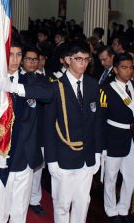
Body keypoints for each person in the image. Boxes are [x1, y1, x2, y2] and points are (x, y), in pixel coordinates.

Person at [0, 39, 52, 223]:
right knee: (0, 214)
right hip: (0, 158)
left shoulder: (29, 80)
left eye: (18, 55)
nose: (14, 60)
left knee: (19, 213)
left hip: (24, 159)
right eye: (10, 55)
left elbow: (49, 95)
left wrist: (15, 87)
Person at [45, 40, 103, 223]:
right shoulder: (55, 86)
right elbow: (48, 126)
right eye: (79, 59)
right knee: (62, 204)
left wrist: (98, 152)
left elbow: (97, 122)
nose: (83, 63)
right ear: (68, 60)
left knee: (83, 201)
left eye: (86, 59)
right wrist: (51, 159)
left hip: (87, 155)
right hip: (63, 155)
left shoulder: (93, 85)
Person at [100, 53, 134, 223]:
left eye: (131, 68)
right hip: (113, 137)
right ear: (116, 69)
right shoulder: (106, 89)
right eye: (124, 68)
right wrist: (102, 146)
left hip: (133, 136)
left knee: (131, 176)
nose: (128, 71)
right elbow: (101, 120)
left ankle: (123, 208)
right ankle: (111, 210)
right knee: (111, 177)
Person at [21, 47, 49, 216]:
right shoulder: (17, 78)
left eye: (34, 59)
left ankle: (34, 199)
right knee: (22, 168)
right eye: (28, 59)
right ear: (22, 61)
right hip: (23, 129)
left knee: (38, 167)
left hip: (41, 129)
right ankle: (21, 199)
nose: (31, 62)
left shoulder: (45, 80)